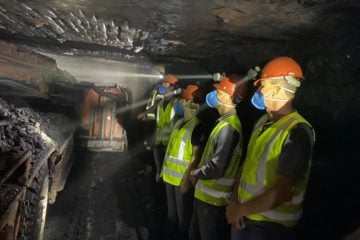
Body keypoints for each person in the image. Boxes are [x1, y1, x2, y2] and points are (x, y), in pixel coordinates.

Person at [226, 56, 315, 240]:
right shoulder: (262, 122)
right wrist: (234, 202)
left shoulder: (298, 132)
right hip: (244, 217)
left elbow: (282, 193)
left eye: (262, 85)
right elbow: (246, 165)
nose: (258, 90)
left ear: (276, 89)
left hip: (270, 228)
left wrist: (240, 209)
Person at [189, 77, 247, 240]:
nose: (215, 94)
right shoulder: (223, 123)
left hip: (213, 201)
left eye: (218, 91)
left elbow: (217, 167)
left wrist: (195, 173)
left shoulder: (228, 128)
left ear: (227, 96)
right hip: (206, 196)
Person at [161, 84, 204, 240]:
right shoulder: (179, 123)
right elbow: (171, 150)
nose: (180, 102)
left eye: (183, 100)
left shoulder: (197, 127)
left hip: (181, 180)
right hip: (169, 176)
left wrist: (187, 181)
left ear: (190, 102)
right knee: (172, 212)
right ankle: (171, 232)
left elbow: (195, 157)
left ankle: (181, 236)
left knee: (183, 215)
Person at [138, 74, 180, 182]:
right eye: (162, 84)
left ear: (172, 87)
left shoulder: (176, 103)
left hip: (170, 144)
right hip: (159, 143)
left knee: (167, 172)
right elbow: (158, 123)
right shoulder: (161, 103)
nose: (163, 87)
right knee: (159, 171)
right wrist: (153, 139)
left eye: (166, 84)